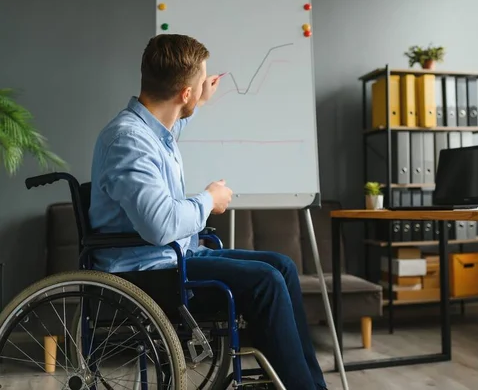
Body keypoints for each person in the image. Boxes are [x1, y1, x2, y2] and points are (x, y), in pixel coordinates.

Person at [88, 34, 328, 390]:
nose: (203, 88)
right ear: (184, 93)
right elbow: (160, 225)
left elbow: (175, 120)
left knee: (283, 266)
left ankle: (308, 385)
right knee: (266, 282)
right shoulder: (128, 140)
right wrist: (208, 200)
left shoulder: (150, 131)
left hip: (171, 259)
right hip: (146, 274)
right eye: (200, 82)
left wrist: (199, 96)